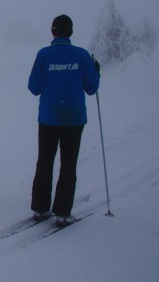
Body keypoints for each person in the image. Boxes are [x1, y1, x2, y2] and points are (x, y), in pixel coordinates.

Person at [28, 14, 100, 227]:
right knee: (68, 165)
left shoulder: (44, 55)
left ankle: (40, 209)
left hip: (49, 118)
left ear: (53, 32)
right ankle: (62, 212)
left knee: (45, 162)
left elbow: (34, 88)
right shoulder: (82, 56)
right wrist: (96, 69)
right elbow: (92, 88)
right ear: (70, 32)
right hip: (74, 119)